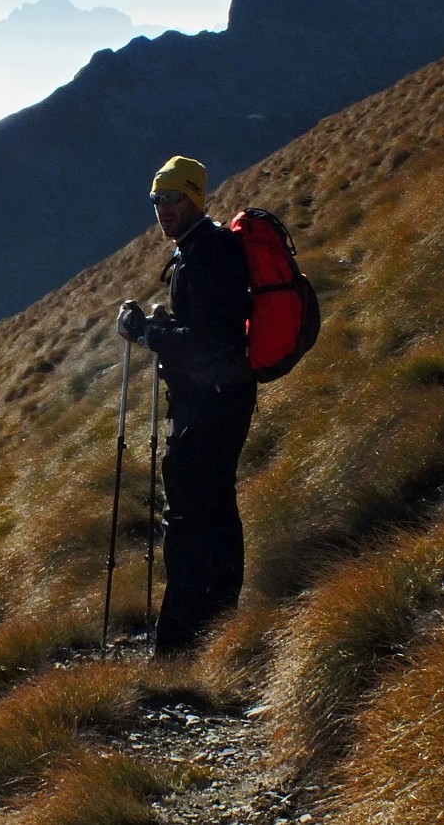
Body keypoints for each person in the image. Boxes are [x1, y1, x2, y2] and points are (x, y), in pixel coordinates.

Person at [116, 155, 257, 657]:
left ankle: (179, 643)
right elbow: (206, 333)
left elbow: (208, 341)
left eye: (172, 198)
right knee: (215, 508)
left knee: (189, 516)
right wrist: (160, 328)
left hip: (211, 404)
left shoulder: (207, 254)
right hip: (220, 398)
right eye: (157, 199)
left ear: (195, 196)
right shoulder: (204, 248)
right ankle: (220, 625)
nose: (163, 209)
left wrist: (149, 333)